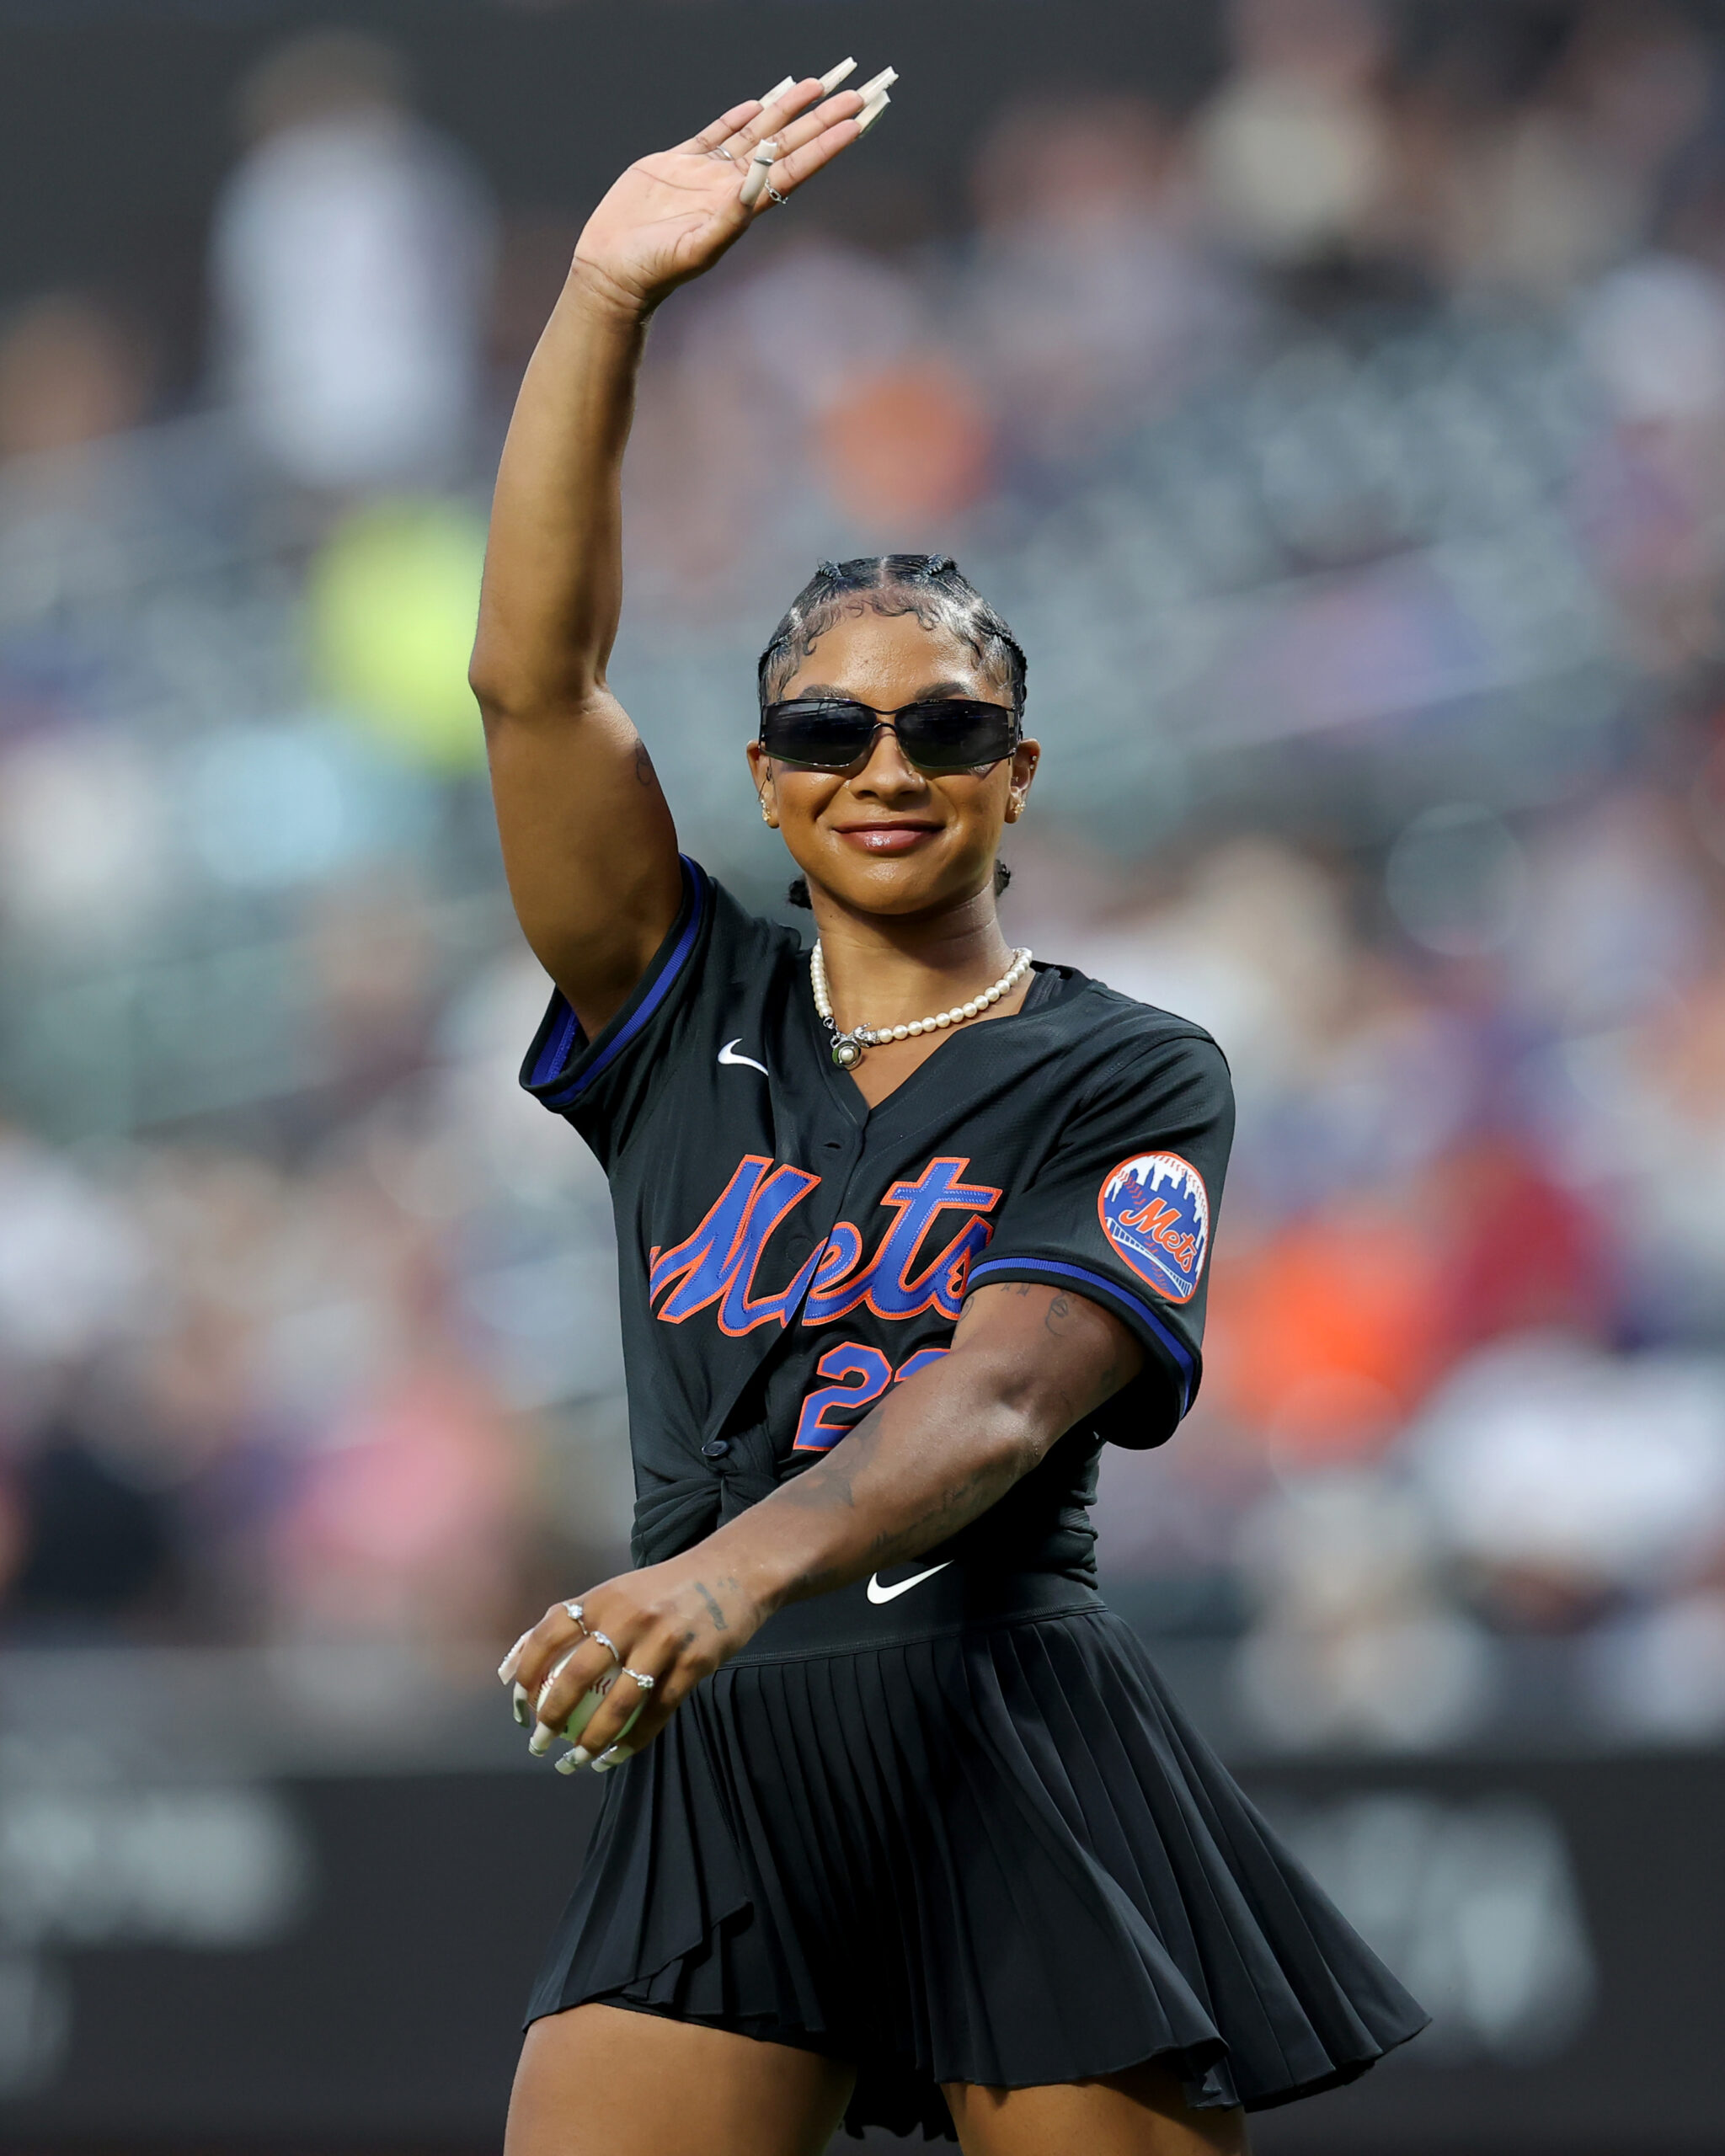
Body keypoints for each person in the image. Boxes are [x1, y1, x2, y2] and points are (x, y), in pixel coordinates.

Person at [472, 71, 1426, 2156]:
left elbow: (1000, 1402)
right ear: (762, 772)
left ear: (1017, 771)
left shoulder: (1128, 1061)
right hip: (726, 1758)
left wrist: (723, 1577)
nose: (882, 760)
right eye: (826, 724)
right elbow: (536, 686)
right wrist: (600, 303)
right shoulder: (675, 1001)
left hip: (995, 1726)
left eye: (945, 724)